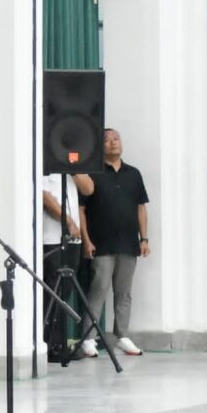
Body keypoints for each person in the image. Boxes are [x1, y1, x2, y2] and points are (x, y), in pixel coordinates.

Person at [82, 127, 150, 358]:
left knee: (124, 292)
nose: (113, 143)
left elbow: (141, 208)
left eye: (116, 139)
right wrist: (86, 240)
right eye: (107, 140)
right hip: (101, 243)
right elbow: (81, 210)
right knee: (98, 290)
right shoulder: (92, 173)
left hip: (128, 243)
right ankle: (88, 339)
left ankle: (122, 335)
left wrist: (145, 238)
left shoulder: (133, 174)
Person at [40, 165, 93, 363]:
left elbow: (88, 189)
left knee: (66, 291)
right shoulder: (45, 167)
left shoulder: (72, 168)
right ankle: (49, 343)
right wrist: (68, 222)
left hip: (74, 239)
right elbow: (44, 196)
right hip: (52, 238)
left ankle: (60, 341)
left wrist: (74, 170)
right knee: (53, 291)